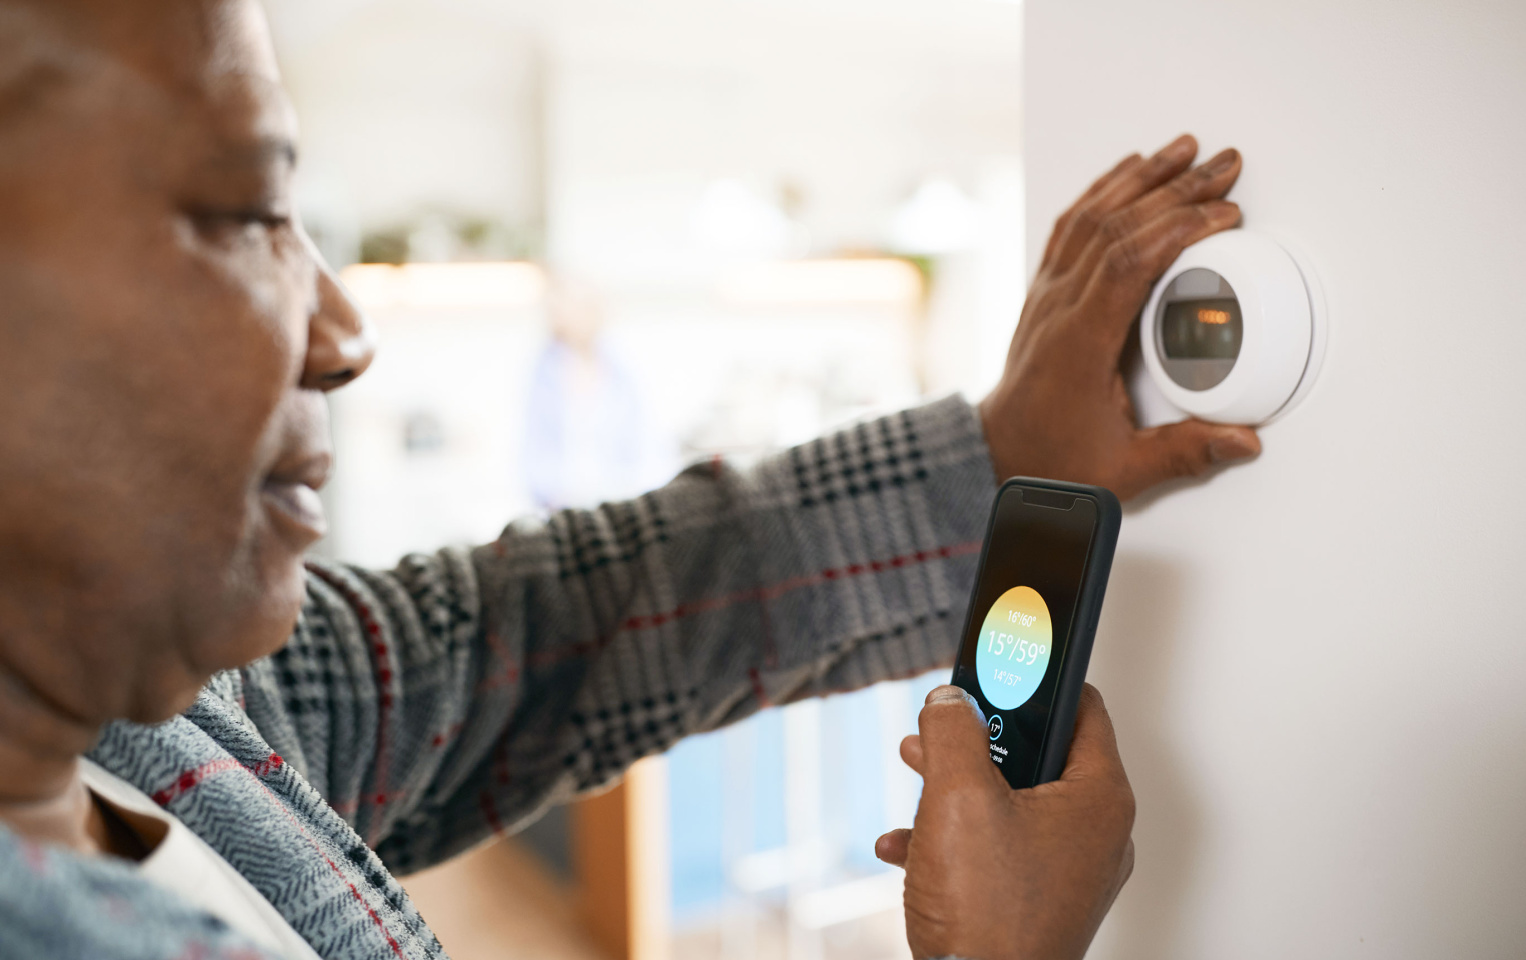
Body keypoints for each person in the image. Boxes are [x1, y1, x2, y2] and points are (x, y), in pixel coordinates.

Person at [0, 1, 1258, 958]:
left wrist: (990, 457)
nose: (342, 332)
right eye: (246, 212)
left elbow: (538, 632)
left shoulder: (150, 718)